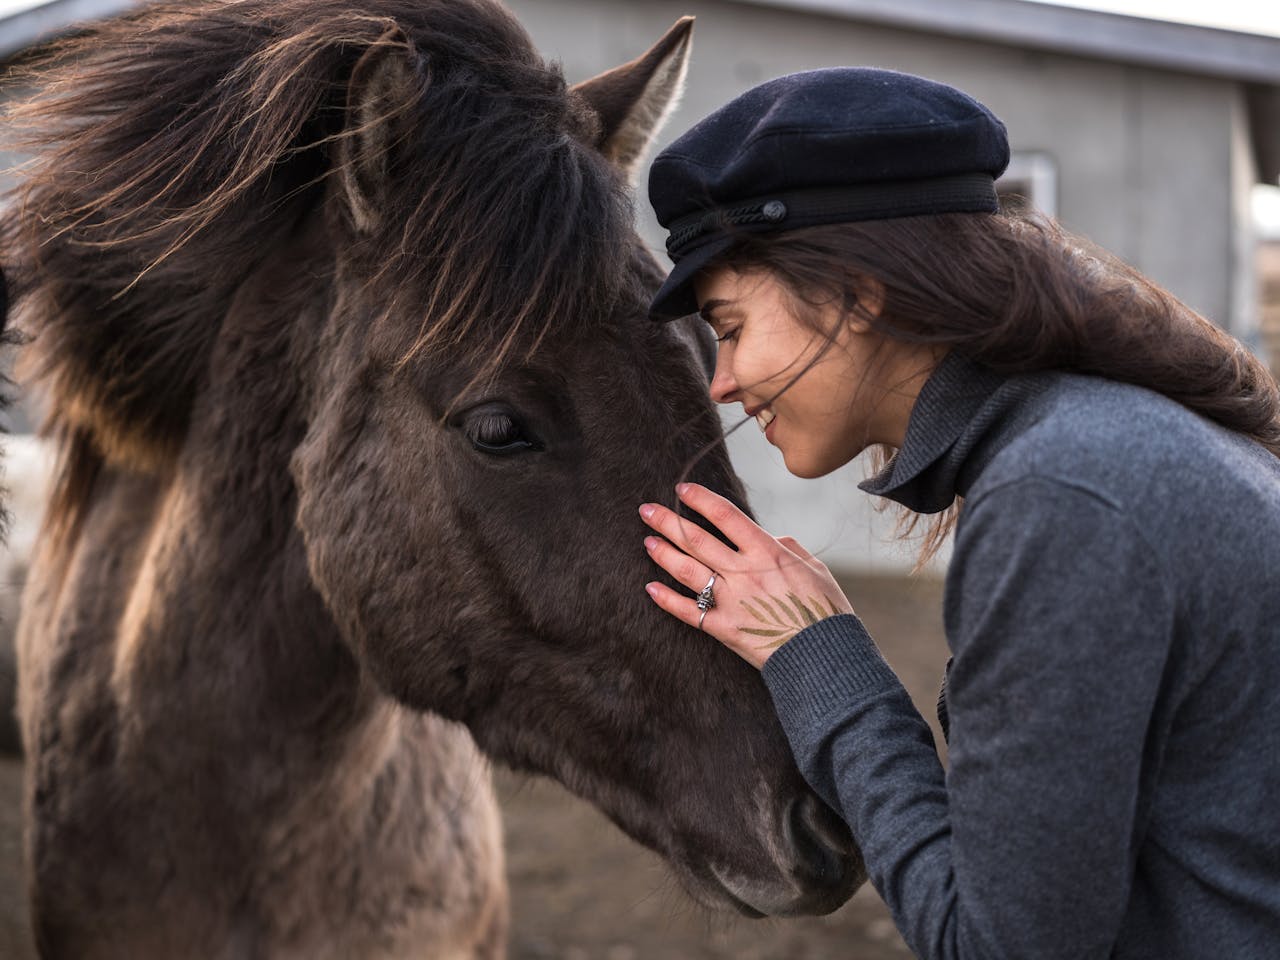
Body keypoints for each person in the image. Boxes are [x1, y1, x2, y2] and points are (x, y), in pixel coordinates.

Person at [637, 67, 1280, 959]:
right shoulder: (1102, 444)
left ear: (858, 295)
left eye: (732, 324)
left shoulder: (1066, 496)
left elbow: (1000, 946)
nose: (723, 382)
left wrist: (818, 658)